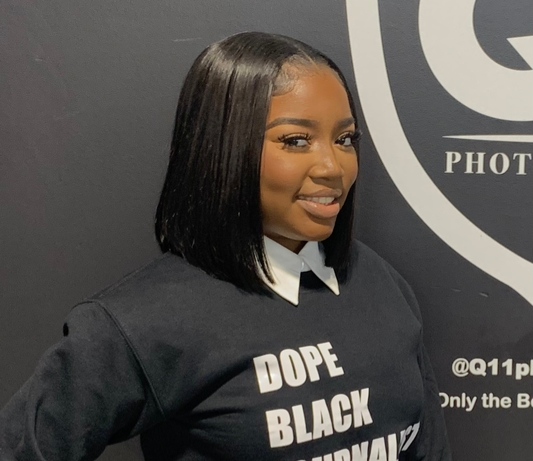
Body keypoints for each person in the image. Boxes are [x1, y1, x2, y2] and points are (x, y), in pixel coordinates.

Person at [0, 32, 451, 461]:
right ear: (224, 147)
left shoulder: (381, 284)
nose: (333, 166)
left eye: (345, 139)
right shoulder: (145, 321)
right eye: (296, 140)